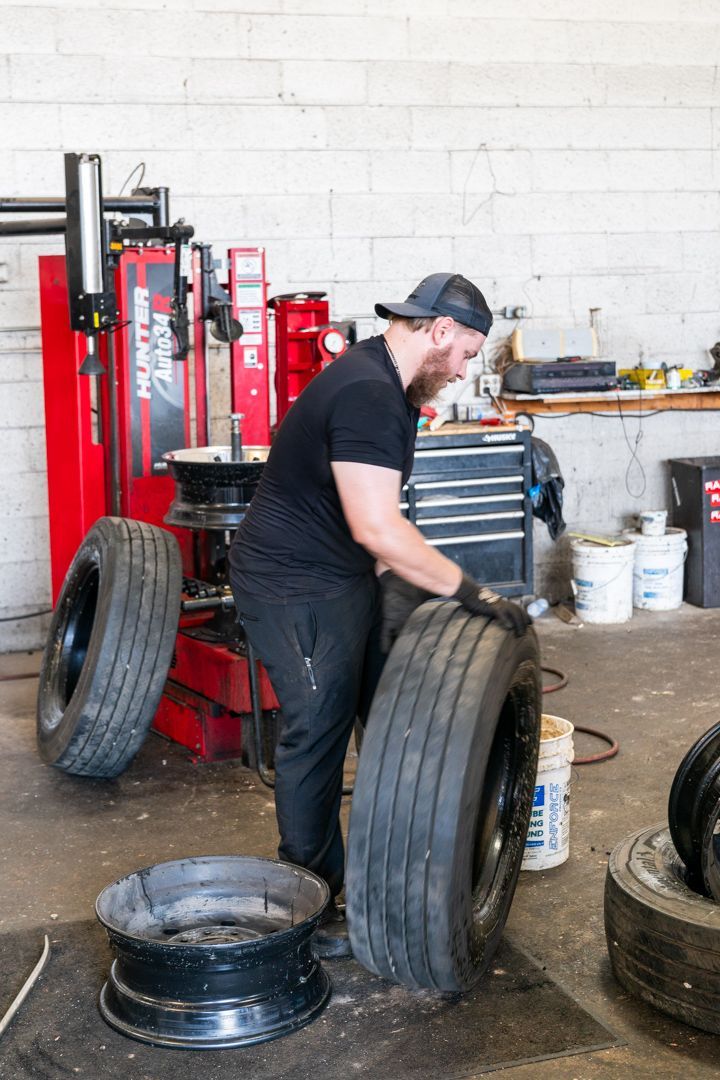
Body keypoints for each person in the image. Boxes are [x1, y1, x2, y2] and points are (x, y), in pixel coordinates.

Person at [228, 272, 531, 956]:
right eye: (466, 353)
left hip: (340, 574)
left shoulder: (380, 382)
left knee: (380, 712)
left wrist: (403, 592)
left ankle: (388, 872)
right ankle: (315, 902)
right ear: (440, 331)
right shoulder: (368, 394)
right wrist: (470, 591)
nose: (463, 370)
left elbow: (375, 528)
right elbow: (378, 527)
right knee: (316, 734)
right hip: (292, 585)